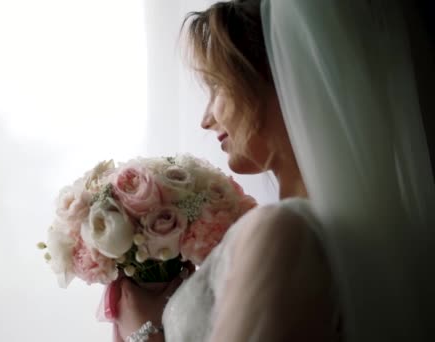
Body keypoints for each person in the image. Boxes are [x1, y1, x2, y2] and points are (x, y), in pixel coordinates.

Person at [114, 0, 435, 341]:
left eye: (217, 87)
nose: (206, 119)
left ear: (284, 77)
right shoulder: (357, 233)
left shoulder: (283, 230)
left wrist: (143, 330)